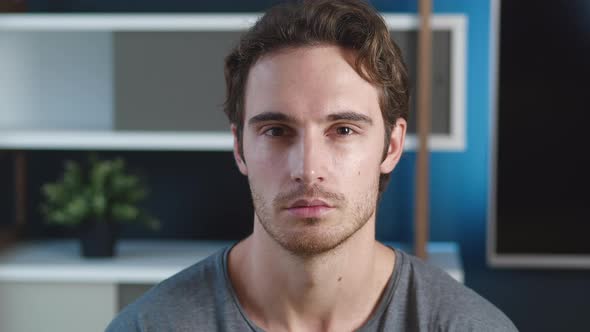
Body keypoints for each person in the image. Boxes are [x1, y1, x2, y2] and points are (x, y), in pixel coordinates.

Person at [107, 0, 518, 331]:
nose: (307, 168)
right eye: (275, 130)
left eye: (342, 130)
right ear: (239, 147)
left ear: (391, 147)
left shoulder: (468, 326)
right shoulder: (149, 325)